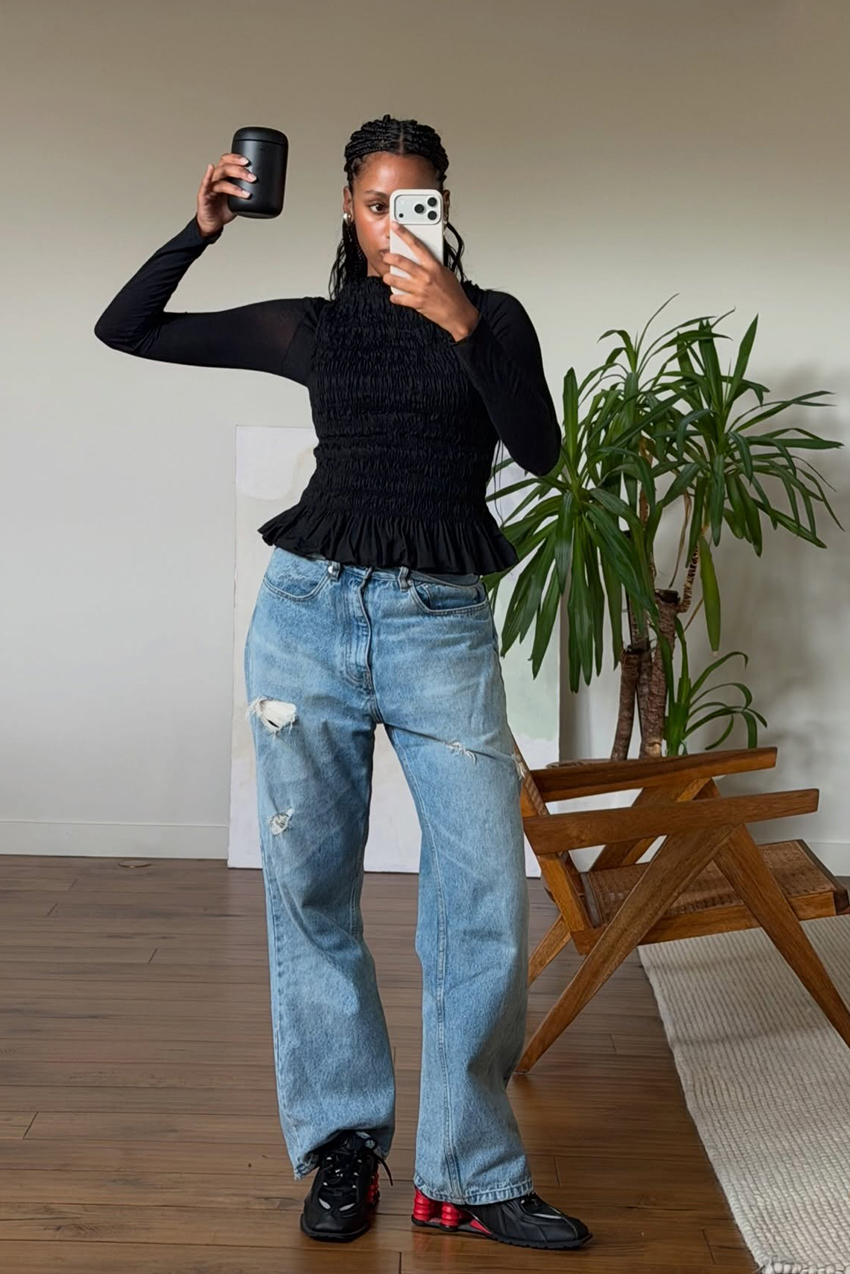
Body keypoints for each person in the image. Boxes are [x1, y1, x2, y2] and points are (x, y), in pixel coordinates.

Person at [94, 112, 591, 1254]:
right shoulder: (313, 327)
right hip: (307, 618)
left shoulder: (495, 317)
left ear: (444, 207)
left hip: (438, 628)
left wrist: (461, 321)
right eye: (375, 203)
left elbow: (541, 449)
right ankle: (344, 1147)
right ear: (350, 212)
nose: (393, 222)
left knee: (481, 901)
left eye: (415, 201)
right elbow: (128, 328)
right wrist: (200, 228)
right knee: (312, 892)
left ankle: (467, 1174)